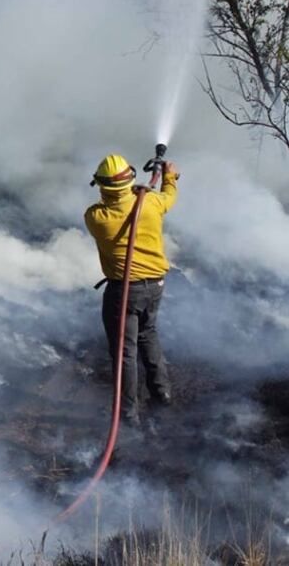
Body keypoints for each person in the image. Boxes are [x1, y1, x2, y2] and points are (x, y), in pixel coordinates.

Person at [84, 154, 179, 428]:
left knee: (125, 352)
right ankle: (162, 393)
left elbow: (108, 205)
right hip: (155, 286)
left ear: (102, 187)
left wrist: (130, 193)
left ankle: (128, 414)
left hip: (124, 292)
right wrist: (169, 176)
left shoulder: (96, 217)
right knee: (148, 334)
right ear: (130, 181)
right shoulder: (151, 203)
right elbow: (169, 196)